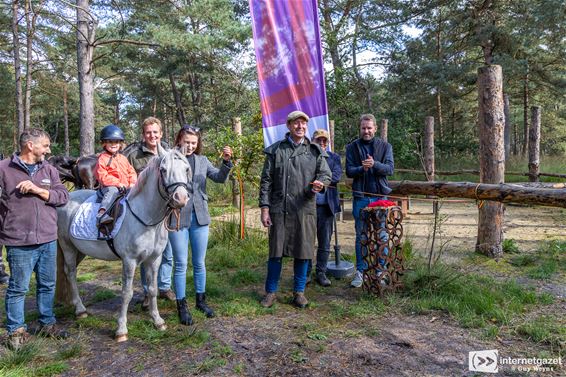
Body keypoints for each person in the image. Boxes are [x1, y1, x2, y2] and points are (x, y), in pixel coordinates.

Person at [0, 128, 69, 350]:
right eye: (46, 145)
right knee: (18, 288)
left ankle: (46, 323)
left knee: (47, 285)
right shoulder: (4, 169)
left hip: (48, 237)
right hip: (19, 240)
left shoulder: (49, 169)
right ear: (30, 145)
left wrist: (38, 190)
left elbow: (62, 196)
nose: (49, 150)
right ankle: (16, 331)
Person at [259, 111, 331, 309]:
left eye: (303, 123)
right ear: (289, 126)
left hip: (304, 209)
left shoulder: (315, 151)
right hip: (279, 209)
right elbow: (265, 182)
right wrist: (265, 208)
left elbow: (326, 174)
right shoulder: (275, 151)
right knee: (275, 253)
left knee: (304, 251)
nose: (300, 126)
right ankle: (270, 292)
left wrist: (320, 184)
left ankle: (299, 292)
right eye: (296, 123)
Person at [168, 125, 233, 325]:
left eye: (193, 143)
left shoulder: (202, 161)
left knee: (199, 263)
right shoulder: (170, 159)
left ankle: (200, 301)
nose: (189, 146)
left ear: (198, 144)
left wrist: (227, 162)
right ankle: (182, 306)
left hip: (200, 217)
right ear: (179, 140)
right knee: (180, 264)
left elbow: (220, 178)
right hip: (178, 217)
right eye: (186, 142)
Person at [126, 117, 176, 307]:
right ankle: (148, 291)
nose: (152, 135)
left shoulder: (169, 153)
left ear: (161, 133)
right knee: (144, 253)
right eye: (148, 132)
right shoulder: (134, 155)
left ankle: (164, 287)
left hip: (166, 211)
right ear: (143, 134)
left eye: (155, 132)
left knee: (167, 252)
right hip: (143, 215)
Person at [345, 114, 394, 288]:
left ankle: (381, 271)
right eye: (363, 128)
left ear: (375, 128)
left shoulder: (385, 146)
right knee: (362, 236)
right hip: (360, 197)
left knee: (381, 234)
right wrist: (362, 168)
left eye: (369, 128)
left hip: (380, 197)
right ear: (360, 128)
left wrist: (374, 165)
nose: (366, 131)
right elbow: (349, 171)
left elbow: (390, 169)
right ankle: (361, 271)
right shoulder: (352, 147)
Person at [306, 129, 342, 287]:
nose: (321, 143)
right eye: (318, 140)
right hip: (307, 206)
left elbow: (336, 176)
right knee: (306, 241)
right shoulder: (306, 156)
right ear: (312, 141)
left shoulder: (334, 158)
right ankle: (305, 273)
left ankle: (321, 272)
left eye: (324, 141)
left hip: (327, 206)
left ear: (328, 142)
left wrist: (320, 180)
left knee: (325, 242)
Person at [95, 124, 137, 227]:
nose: (113, 144)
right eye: (110, 141)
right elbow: (102, 176)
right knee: (112, 190)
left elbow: (131, 171)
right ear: (104, 143)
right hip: (109, 187)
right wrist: (118, 183)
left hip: (125, 187)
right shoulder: (102, 158)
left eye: (116, 142)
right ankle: (102, 213)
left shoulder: (123, 158)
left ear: (120, 143)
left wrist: (132, 183)